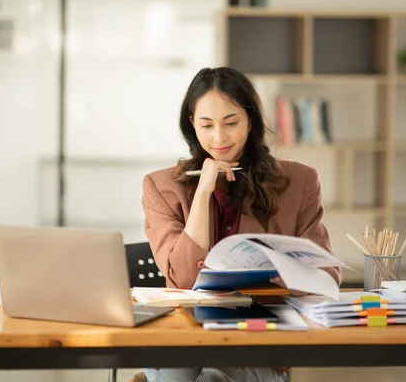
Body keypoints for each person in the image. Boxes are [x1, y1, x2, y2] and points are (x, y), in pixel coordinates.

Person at [139, 67, 342, 382]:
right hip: (183, 333)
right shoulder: (161, 187)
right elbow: (184, 279)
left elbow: (327, 275)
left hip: (260, 338)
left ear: (251, 121)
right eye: (206, 125)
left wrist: (285, 276)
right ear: (192, 125)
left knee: (213, 379)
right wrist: (204, 192)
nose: (218, 138)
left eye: (231, 123)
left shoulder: (299, 182)